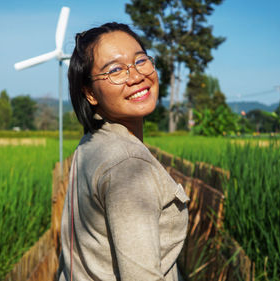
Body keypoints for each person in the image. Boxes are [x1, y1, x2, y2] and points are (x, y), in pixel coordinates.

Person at [57, 22, 189, 281]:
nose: (136, 76)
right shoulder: (128, 165)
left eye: (141, 61)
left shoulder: (92, 143)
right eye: (115, 70)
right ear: (89, 93)